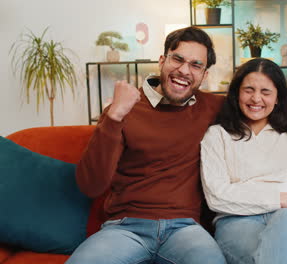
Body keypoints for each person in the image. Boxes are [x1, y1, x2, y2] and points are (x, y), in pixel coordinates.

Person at [66, 26, 227, 264]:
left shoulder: (214, 107)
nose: (184, 70)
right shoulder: (124, 107)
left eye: (196, 65)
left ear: (204, 75)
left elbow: (266, 108)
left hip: (185, 229)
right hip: (125, 227)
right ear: (162, 61)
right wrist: (114, 116)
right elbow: (91, 186)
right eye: (178, 59)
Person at [200, 47, 287, 264]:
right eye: (249, 90)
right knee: (276, 253)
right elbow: (218, 196)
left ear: (278, 98)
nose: (256, 98)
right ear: (236, 93)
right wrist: (283, 199)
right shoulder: (217, 136)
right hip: (239, 223)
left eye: (265, 92)